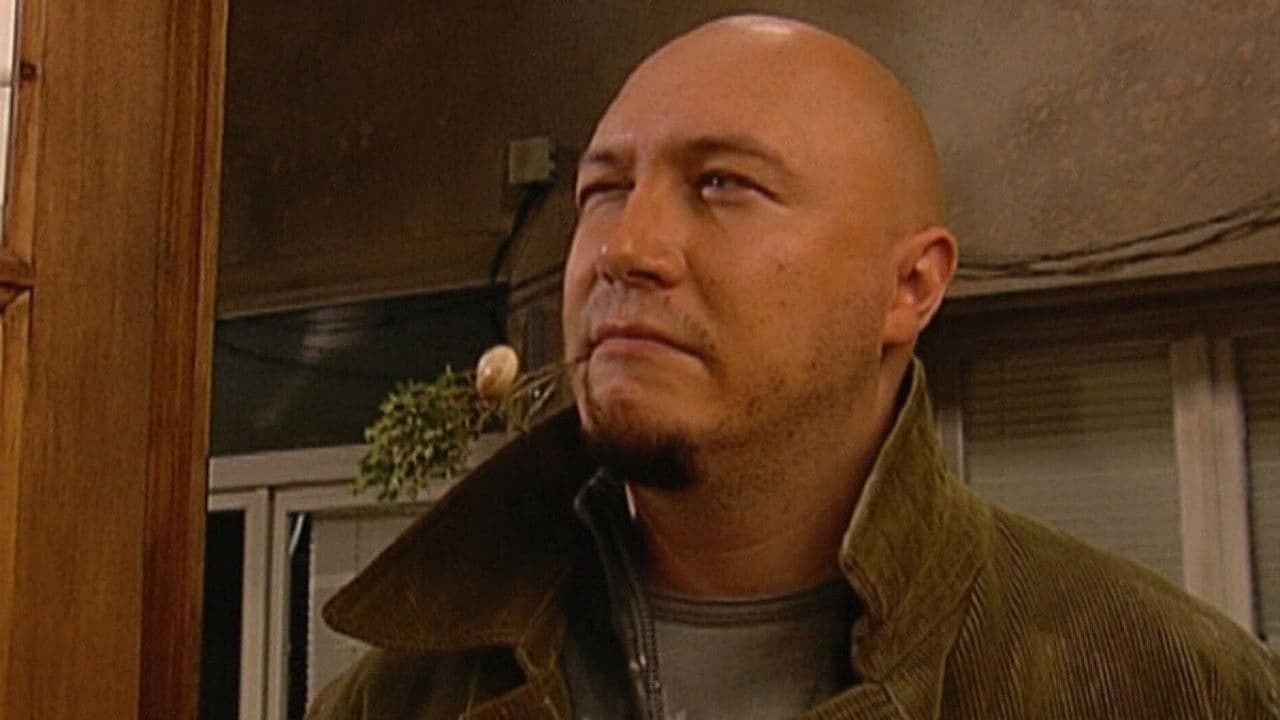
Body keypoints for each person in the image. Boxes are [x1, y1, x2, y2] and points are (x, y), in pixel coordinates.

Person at [307, 14, 1280, 720]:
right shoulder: (404, 698)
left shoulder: (1164, 685)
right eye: (603, 190)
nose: (624, 248)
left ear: (908, 287)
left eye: (721, 185)